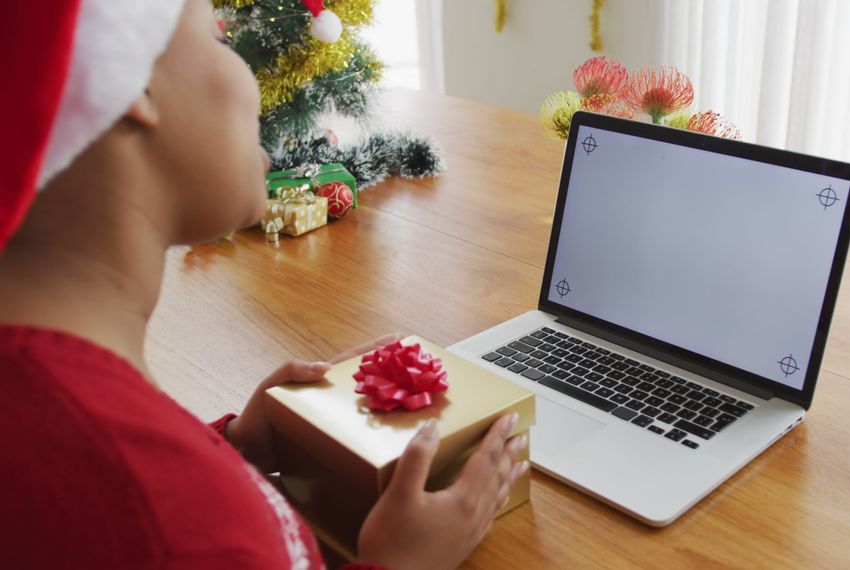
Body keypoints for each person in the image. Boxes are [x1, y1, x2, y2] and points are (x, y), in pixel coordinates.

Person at [0, 1, 529, 568]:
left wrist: (227, 449)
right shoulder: (179, 516)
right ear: (133, 82)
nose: (252, 77)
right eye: (215, 35)